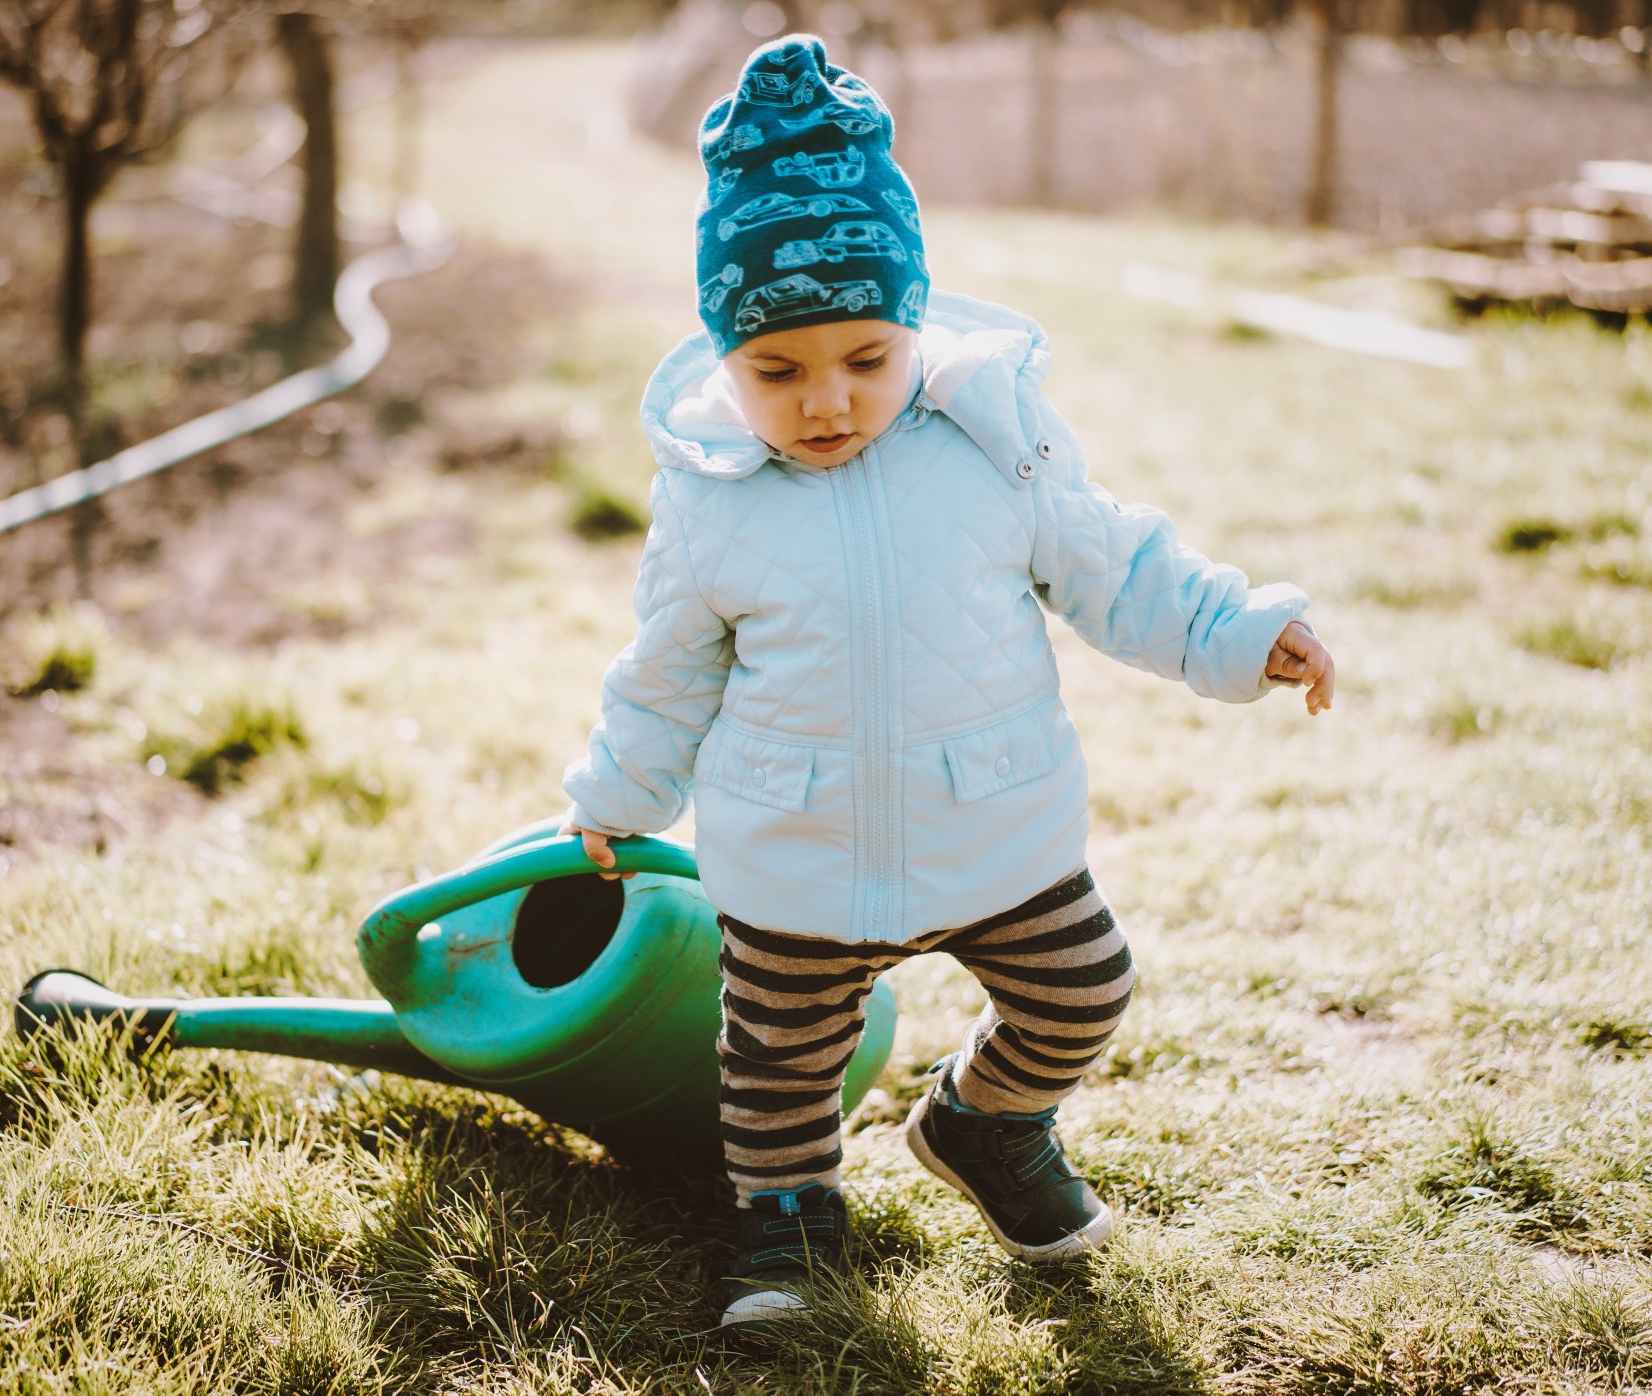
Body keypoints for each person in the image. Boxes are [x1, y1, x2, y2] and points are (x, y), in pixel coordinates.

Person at [560, 34, 1335, 1329]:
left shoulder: (992, 447)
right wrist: (615, 793)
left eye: (865, 358)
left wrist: (1235, 631)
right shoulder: (709, 500)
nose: (825, 402)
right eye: (777, 371)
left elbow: (1111, 564)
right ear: (722, 357)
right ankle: (786, 1216)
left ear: (913, 323)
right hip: (794, 843)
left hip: (995, 820)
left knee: (1081, 989)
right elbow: (666, 669)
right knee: (776, 1069)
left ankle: (986, 1124)